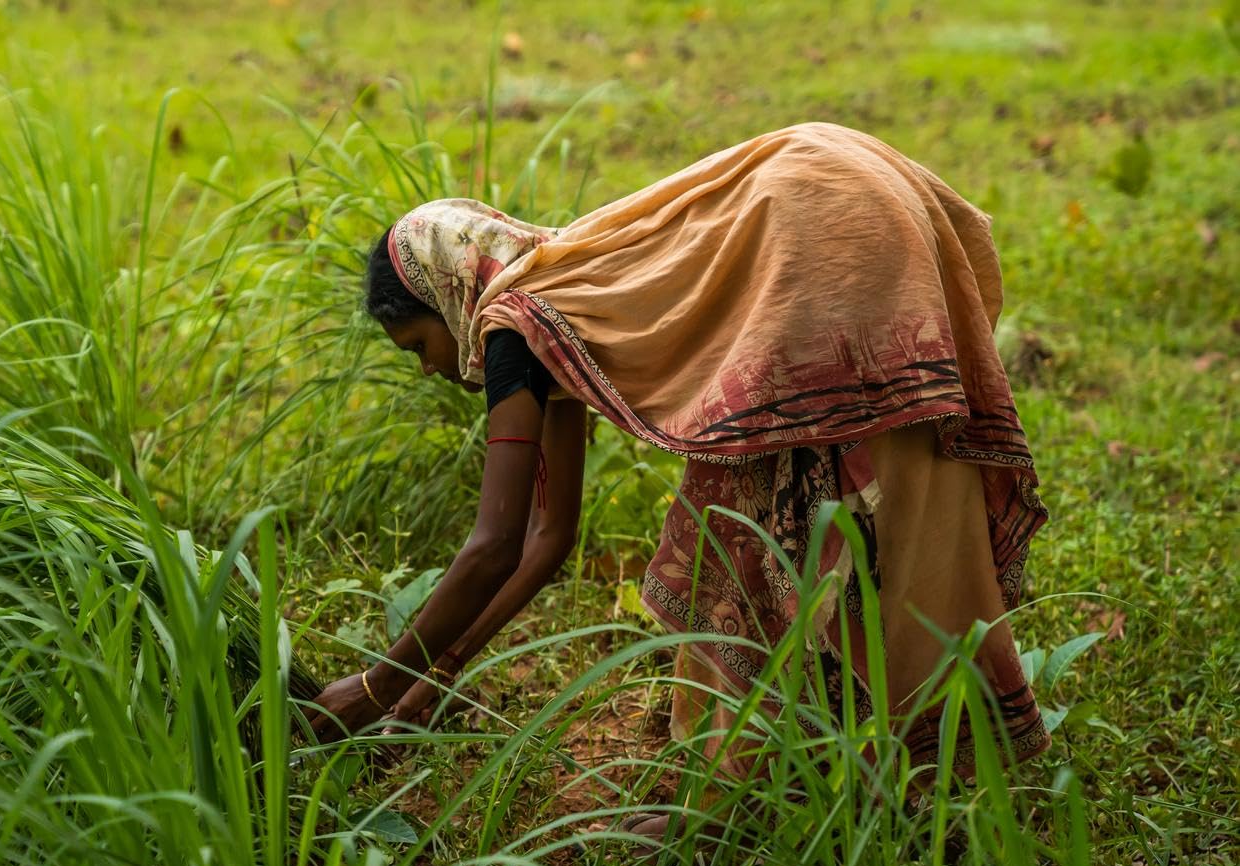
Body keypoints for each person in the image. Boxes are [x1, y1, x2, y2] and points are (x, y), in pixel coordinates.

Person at [303, 122, 1051, 820]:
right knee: (864, 515)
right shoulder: (550, 304)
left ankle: (753, 798)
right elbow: (550, 534)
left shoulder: (510, 325)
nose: (432, 369)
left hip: (819, 219)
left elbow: (493, 542)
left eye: (416, 345)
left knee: (746, 537)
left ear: (447, 294)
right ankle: (874, 772)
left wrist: (375, 684)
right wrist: (443, 670)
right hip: (841, 186)